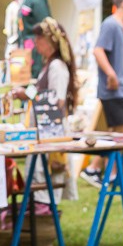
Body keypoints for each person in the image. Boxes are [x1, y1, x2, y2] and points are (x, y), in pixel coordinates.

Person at [81, 0, 123, 188]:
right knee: (121, 132)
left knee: (119, 131)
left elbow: (115, 56)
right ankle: (102, 171)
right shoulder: (110, 24)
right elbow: (98, 51)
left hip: (122, 88)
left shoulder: (121, 26)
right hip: (112, 89)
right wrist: (112, 75)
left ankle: (104, 171)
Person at [29, 18, 80, 207]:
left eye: (39, 39)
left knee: (47, 175)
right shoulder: (49, 65)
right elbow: (41, 92)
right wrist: (25, 94)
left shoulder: (57, 67)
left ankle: (46, 215)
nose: (36, 43)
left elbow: (57, 100)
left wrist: (31, 98)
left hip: (51, 132)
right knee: (41, 175)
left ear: (50, 42)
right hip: (45, 131)